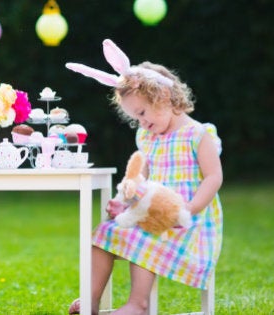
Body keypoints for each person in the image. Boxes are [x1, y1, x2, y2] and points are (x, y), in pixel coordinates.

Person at [65, 39, 223, 314]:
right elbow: (140, 181)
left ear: (163, 97)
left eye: (141, 113)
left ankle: (138, 305)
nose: (141, 122)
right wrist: (125, 204)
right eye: (135, 118)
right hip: (151, 215)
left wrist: (190, 208)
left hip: (188, 223)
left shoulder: (198, 134)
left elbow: (213, 177)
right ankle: (91, 301)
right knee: (104, 233)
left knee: (144, 236)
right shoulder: (148, 137)